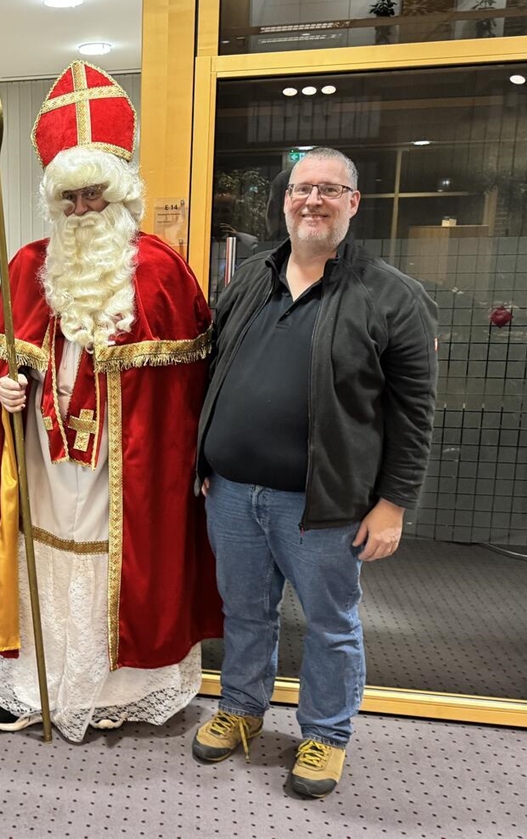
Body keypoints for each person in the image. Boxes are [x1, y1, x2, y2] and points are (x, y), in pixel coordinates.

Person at [0, 60, 222, 742]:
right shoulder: (28, 265)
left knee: (123, 565)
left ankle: (123, 690)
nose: (83, 210)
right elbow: (10, 367)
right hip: (48, 462)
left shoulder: (161, 271)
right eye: (71, 199)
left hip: (129, 469)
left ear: (120, 196)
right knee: (48, 559)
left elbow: (189, 395)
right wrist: (7, 390)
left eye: (95, 196)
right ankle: (37, 685)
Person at [193, 147, 438, 797]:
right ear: (285, 200)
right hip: (233, 492)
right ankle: (241, 709)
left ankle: (326, 734)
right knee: (246, 612)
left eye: (331, 190)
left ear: (352, 203)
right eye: (304, 188)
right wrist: (206, 460)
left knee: (332, 622)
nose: (313, 201)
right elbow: (215, 373)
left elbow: (414, 413)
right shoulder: (249, 278)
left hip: (325, 502)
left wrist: (394, 502)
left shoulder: (392, 296)